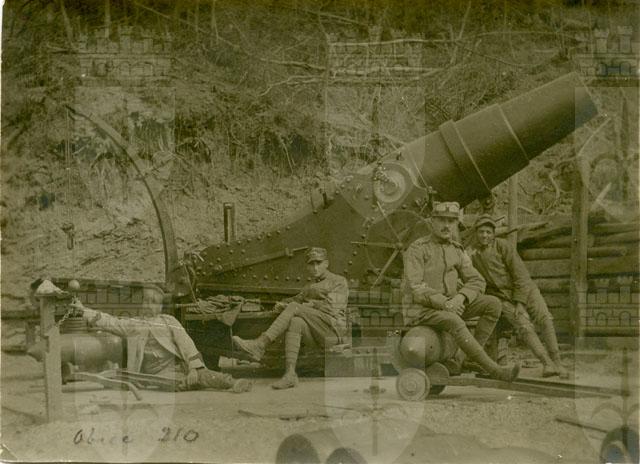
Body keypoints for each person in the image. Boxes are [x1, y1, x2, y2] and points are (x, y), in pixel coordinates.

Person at [402, 201, 520, 382]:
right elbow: (416, 288)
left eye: (451, 221)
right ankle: (495, 370)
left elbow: (477, 280)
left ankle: (471, 359)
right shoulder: (418, 249)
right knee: (454, 320)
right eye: (441, 220)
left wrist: (460, 297)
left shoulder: (456, 250)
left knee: (493, 304)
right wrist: (445, 303)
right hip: (422, 311)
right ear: (432, 221)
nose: (446, 225)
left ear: (456, 223)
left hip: (451, 306)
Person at [70, 285, 251, 393]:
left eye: (154, 302)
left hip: (177, 366)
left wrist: (194, 368)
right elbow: (110, 322)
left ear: (160, 307)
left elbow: (186, 344)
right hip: (155, 374)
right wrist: (83, 311)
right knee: (169, 383)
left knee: (202, 375)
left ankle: (232, 382)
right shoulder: (133, 324)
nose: (149, 305)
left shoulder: (168, 321)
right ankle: (187, 384)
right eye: (146, 301)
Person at [467, 214, 568, 378]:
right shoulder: (472, 254)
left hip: (525, 289)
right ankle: (547, 363)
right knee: (523, 325)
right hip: (502, 296)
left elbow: (520, 275)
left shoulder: (503, 246)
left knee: (544, 318)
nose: (484, 236)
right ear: (476, 233)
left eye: (488, 232)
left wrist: (520, 303)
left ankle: (558, 362)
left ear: (493, 234)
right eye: (481, 232)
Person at [232, 247, 348, 389]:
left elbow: (332, 307)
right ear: (307, 267)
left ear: (326, 263)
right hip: (315, 333)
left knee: (294, 308)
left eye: (319, 263)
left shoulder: (338, 281)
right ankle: (290, 374)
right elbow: (296, 300)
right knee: (295, 321)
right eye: (311, 264)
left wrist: (308, 305)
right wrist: (282, 304)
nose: (315, 267)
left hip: (332, 331)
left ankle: (260, 344)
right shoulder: (310, 286)